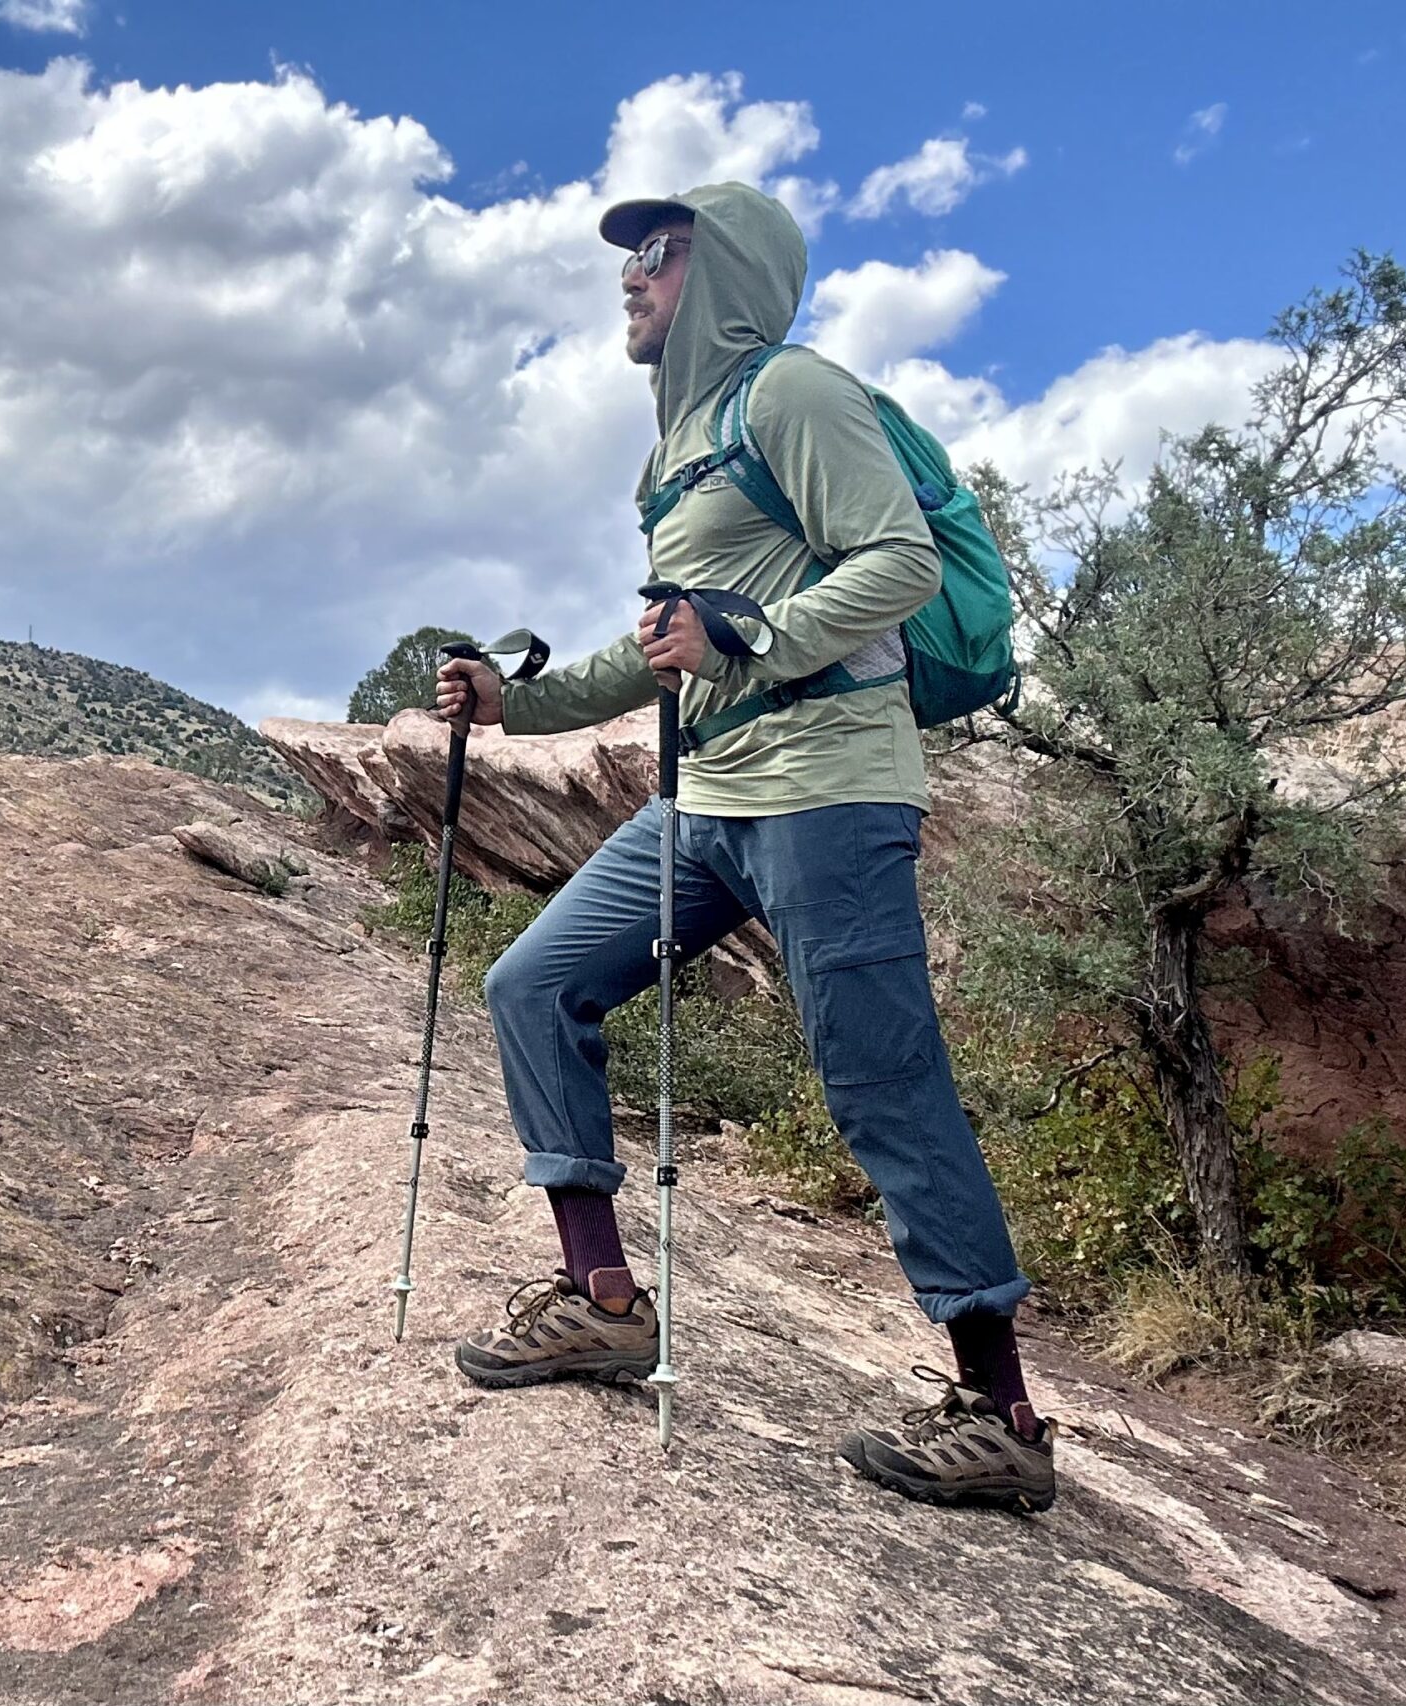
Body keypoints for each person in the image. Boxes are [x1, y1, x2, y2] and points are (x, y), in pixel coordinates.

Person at [433, 180, 1054, 1511]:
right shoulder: (681, 451)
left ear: (721, 272)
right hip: (708, 796)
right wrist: (513, 699)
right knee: (533, 982)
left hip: (830, 789)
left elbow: (900, 564)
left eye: (655, 255)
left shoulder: (793, 396)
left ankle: (1001, 1414)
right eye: (627, 260)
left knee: (879, 1077)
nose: (630, 278)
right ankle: (602, 1296)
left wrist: (749, 640)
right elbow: (658, 641)